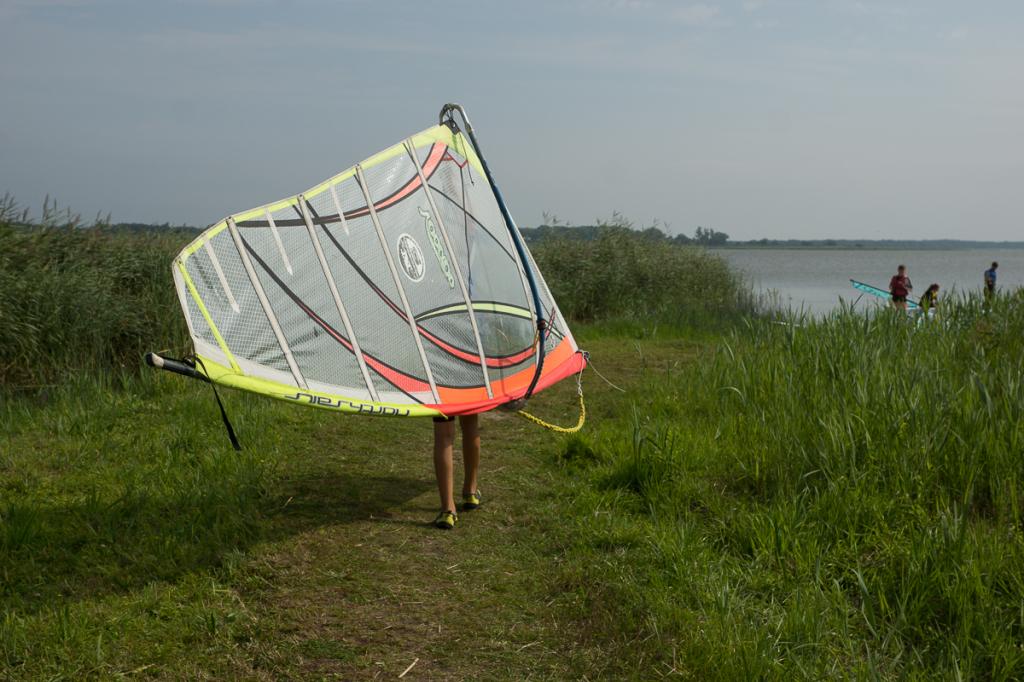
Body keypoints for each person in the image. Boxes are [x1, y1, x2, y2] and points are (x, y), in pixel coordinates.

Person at [432, 414, 482, 529]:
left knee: (444, 434)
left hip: (443, 395)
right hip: (466, 394)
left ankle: (448, 511)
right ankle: (471, 492)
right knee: (470, 424)